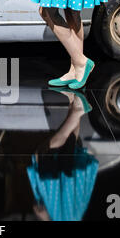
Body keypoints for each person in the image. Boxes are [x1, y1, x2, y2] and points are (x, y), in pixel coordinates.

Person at [27, 89, 98, 221]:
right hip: (62, 215)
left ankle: (75, 101)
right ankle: (77, 110)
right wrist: (46, 219)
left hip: (67, 212)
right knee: (45, 154)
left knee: (67, 150)